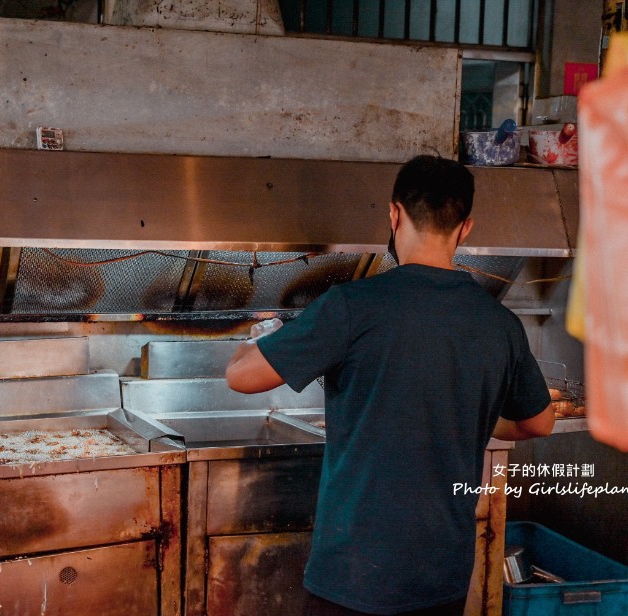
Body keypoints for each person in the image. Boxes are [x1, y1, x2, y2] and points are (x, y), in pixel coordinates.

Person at [225, 155, 555, 616]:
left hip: (353, 573)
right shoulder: (500, 323)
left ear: (394, 214)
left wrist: (259, 338)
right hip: (442, 573)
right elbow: (539, 423)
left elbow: (241, 377)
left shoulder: (352, 306)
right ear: (465, 228)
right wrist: (469, 414)